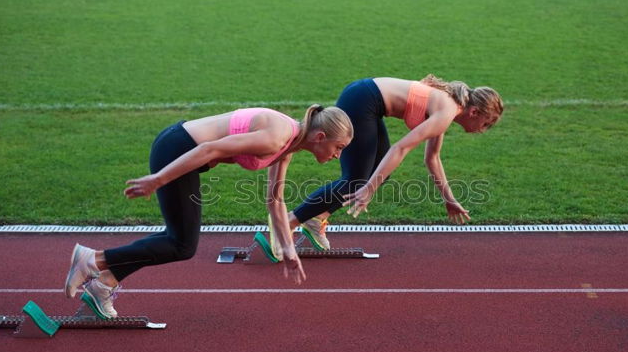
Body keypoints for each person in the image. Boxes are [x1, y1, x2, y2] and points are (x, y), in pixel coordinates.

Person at [63, 105, 353, 318]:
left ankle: (104, 284)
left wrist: (288, 250)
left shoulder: (289, 143)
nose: (338, 155)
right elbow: (210, 150)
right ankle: (94, 260)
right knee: (181, 244)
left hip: (182, 149)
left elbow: (274, 201)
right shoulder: (276, 137)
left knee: (178, 241)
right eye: (338, 147)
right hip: (179, 150)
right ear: (320, 136)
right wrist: (158, 179)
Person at [272, 75, 503, 253]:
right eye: (487, 123)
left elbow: (431, 158)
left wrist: (449, 199)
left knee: (375, 175)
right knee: (357, 181)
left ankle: (315, 217)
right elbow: (400, 148)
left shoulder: (447, 108)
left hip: (366, 100)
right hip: (363, 100)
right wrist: (369, 189)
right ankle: (287, 224)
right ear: (474, 112)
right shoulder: (446, 111)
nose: (483, 130)